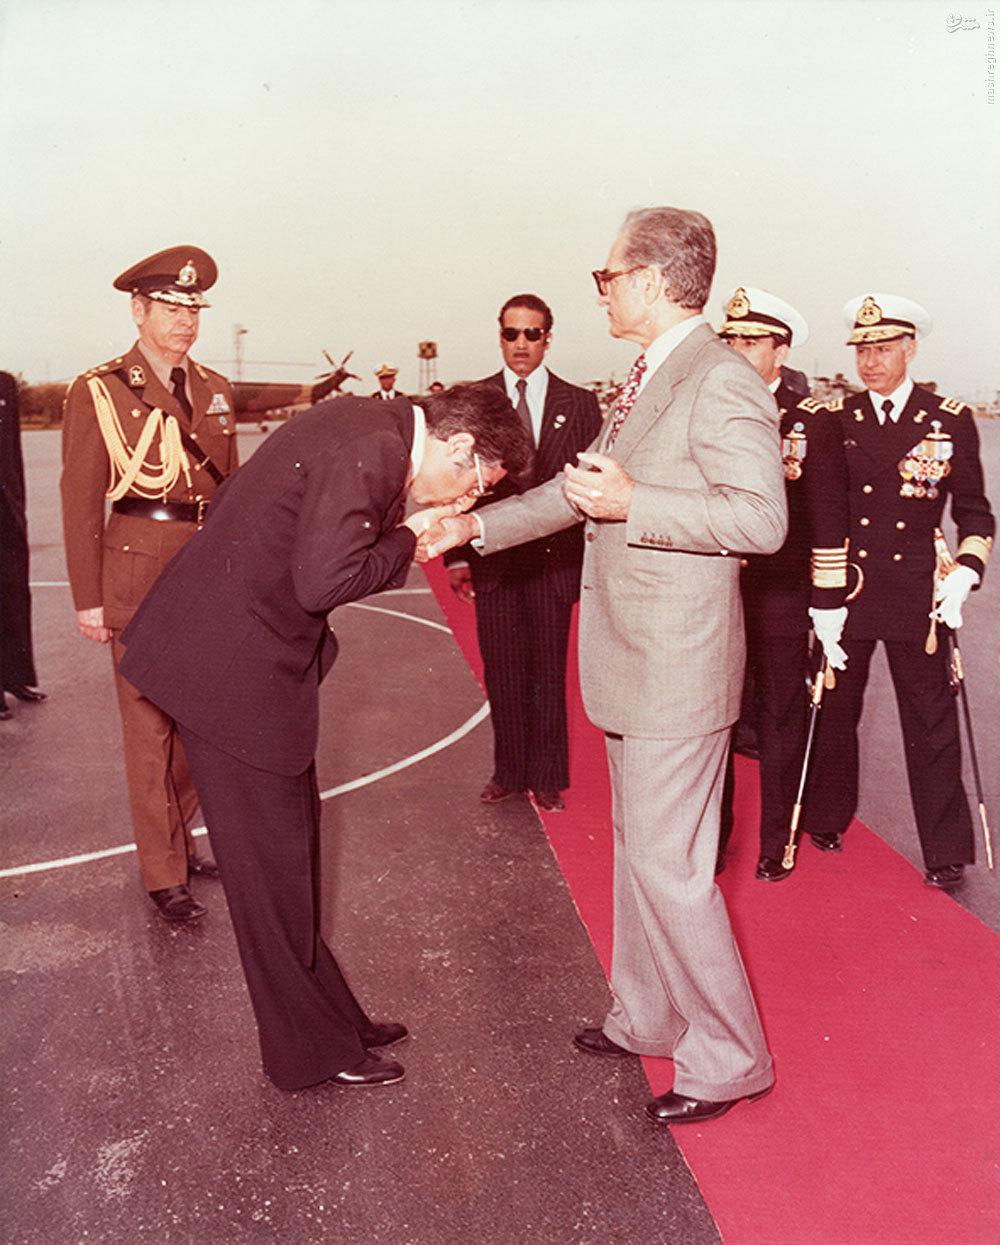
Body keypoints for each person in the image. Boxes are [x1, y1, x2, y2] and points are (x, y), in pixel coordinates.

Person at [424, 207, 787, 1124]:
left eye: (610, 275)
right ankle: (648, 1014)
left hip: (678, 666)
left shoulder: (720, 379)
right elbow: (576, 492)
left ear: (655, 280)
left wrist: (638, 502)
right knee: (639, 854)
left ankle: (731, 1056)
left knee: (670, 867)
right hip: (635, 657)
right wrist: (471, 526)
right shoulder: (649, 374)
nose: (603, 291)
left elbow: (762, 519)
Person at [117, 383, 531, 1090]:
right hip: (228, 670)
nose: (467, 499)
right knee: (270, 875)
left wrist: (402, 526)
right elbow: (324, 582)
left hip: (236, 657)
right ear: (459, 446)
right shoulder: (376, 448)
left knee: (289, 855)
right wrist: (409, 538)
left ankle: (332, 1018)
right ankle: (308, 1053)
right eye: (476, 485)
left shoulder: (376, 424)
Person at [61, 246, 345, 922]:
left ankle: (179, 838)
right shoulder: (100, 389)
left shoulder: (214, 388)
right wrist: (89, 598)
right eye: (170, 308)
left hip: (204, 570)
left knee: (200, 720)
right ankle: (163, 871)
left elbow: (232, 494)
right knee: (147, 726)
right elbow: (79, 500)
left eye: (193, 309)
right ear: (139, 311)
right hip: (135, 565)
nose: (185, 321)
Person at [804, 293, 994, 891]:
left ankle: (946, 850)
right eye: (862, 350)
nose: (870, 362)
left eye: (883, 349)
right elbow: (827, 514)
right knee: (836, 711)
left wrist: (966, 570)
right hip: (852, 589)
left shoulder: (949, 419)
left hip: (918, 594)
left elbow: (975, 512)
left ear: (910, 348)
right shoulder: (836, 419)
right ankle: (825, 818)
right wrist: (825, 600)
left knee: (931, 722)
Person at [445, 294, 602, 811]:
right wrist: (458, 557)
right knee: (503, 670)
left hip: (553, 561)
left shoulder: (580, 403)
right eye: (511, 333)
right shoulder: (477, 400)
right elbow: (454, 483)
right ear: (500, 337)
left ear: (547, 339)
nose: (521, 343)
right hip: (494, 560)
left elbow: (588, 484)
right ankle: (508, 772)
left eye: (532, 334)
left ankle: (547, 776)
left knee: (548, 672)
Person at [715, 287, 815, 881]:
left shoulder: (808, 421)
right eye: (729, 339)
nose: (735, 350)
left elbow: (823, 515)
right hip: (718, 588)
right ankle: (714, 839)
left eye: (750, 341)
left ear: (781, 350)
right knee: (717, 718)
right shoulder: (712, 408)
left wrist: (825, 598)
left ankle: (777, 841)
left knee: (780, 717)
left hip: (780, 592)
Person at [1, 372, 45, 719]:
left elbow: (13, 451)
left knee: (15, 592)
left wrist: (19, 503)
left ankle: (16, 676)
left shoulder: (4, 384)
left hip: (8, 508)